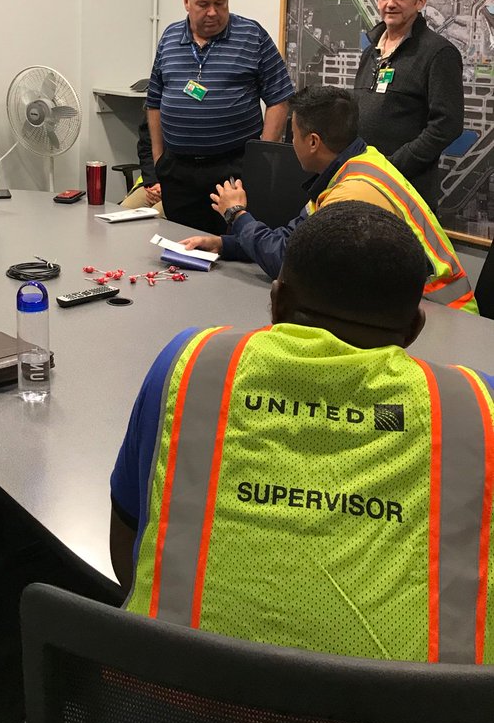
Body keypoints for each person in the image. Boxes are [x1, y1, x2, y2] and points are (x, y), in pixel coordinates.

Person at [111, 202, 494, 661]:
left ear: (276, 301)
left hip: (172, 717)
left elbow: (126, 554)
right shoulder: (477, 408)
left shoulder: (190, 366)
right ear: (414, 329)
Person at [182, 85, 476, 313]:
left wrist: (236, 214)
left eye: (293, 135)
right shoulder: (358, 163)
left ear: (313, 142)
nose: (290, 142)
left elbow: (289, 263)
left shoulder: (353, 193)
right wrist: (225, 244)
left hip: (439, 315)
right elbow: (294, 239)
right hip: (407, 307)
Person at [146, 0, 293, 235]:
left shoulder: (252, 35)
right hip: (179, 172)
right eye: (203, 4)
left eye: (220, 3)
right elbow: (154, 101)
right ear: (186, 2)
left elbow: (280, 98)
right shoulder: (168, 38)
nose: (212, 12)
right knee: (182, 247)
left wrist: (260, 161)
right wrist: (158, 161)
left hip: (232, 173)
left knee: (233, 251)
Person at [354, 0, 464, 211]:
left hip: (407, 192)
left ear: (420, 1)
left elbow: (447, 125)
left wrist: (392, 166)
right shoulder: (370, 53)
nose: (390, 3)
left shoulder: (439, 53)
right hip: (364, 185)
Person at [118, 113, 164, 214]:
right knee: (123, 210)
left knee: (156, 216)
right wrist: (154, 183)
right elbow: (146, 150)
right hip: (154, 183)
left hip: (182, 186)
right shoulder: (157, 106)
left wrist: (167, 186)